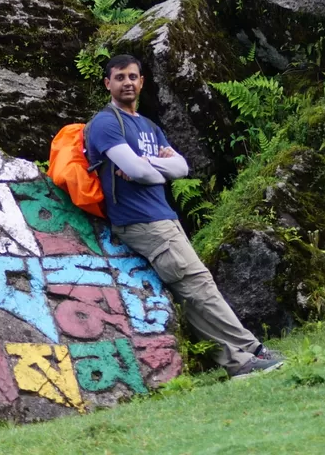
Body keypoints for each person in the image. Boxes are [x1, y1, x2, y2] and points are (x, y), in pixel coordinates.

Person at [86, 54, 284, 379]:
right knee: (198, 285)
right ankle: (252, 352)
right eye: (119, 77)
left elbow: (181, 168)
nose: (127, 83)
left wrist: (145, 166)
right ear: (107, 83)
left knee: (194, 289)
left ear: (142, 81)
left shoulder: (148, 125)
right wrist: (151, 167)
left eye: (133, 76)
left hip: (162, 217)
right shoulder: (106, 123)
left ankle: (239, 361)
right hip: (141, 220)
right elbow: (142, 171)